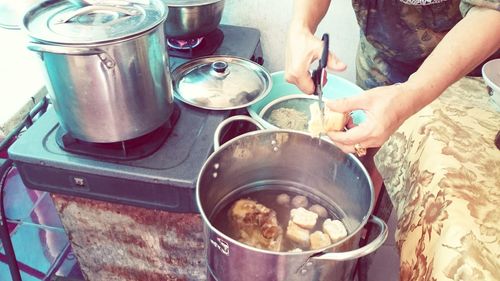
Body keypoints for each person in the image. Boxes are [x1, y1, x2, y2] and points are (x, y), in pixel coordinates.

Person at [285, 0, 500, 155]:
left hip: (463, 74)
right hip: (381, 60)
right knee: (373, 151)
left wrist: (412, 92)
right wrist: (301, 27)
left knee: (442, 165)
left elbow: (492, 10)